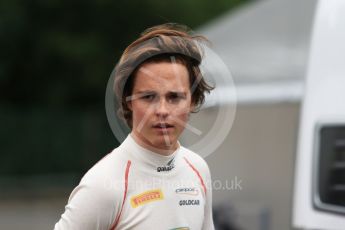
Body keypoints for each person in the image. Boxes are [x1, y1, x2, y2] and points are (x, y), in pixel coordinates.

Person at [54, 23, 215, 230]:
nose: (162, 110)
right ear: (128, 101)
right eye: (148, 97)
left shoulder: (198, 169)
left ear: (192, 101)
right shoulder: (103, 185)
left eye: (174, 97)